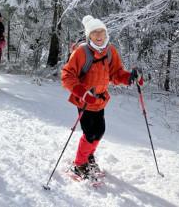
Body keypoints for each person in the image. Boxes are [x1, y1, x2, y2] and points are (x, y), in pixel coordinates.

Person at [61, 15, 143, 180]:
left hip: (100, 100)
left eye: (102, 32)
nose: (99, 36)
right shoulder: (81, 52)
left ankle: (88, 157)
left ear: (106, 34)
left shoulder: (110, 51)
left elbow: (116, 74)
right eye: (94, 33)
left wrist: (130, 78)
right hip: (85, 100)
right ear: (88, 36)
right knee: (90, 133)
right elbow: (67, 75)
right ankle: (79, 164)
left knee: (99, 131)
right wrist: (83, 93)